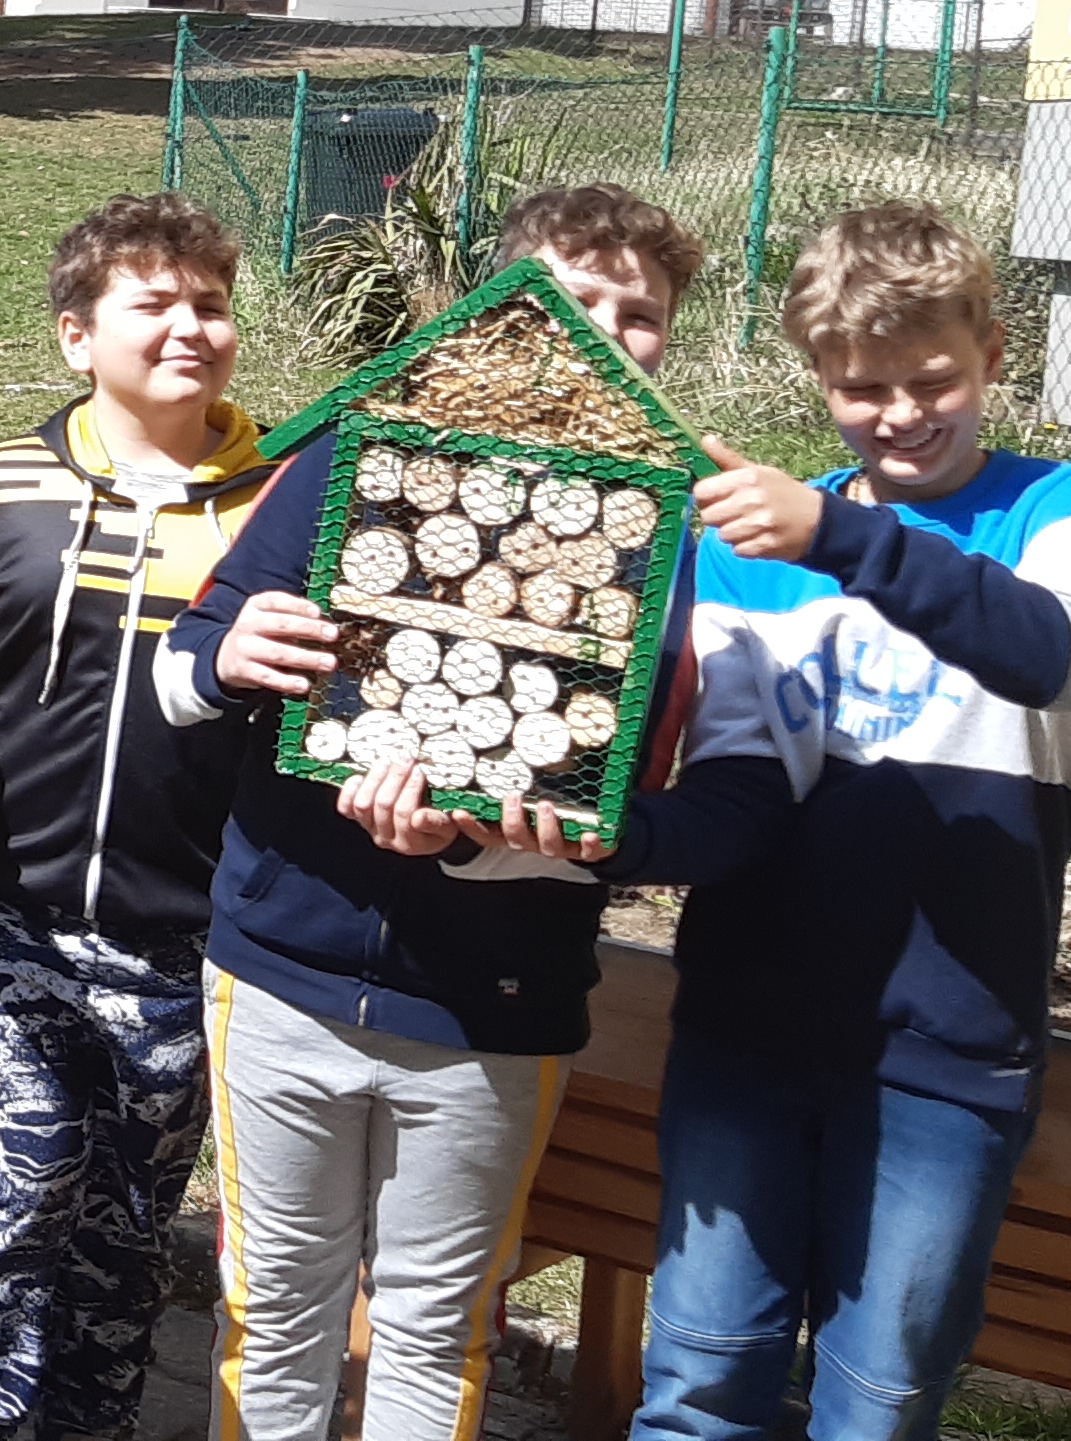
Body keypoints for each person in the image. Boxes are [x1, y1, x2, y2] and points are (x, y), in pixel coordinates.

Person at [504, 202, 1071, 1441]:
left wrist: (843, 535)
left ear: (993, 354)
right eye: (862, 388)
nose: (900, 414)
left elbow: (1062, 657)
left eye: (932, 379)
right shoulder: (752, 553)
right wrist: (617, 837)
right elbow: (737, 797)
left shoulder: (1065, 506)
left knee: (880, 1404)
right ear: (819, 379)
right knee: (698, 1383)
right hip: (746, 1032)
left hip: (950, 1054)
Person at [147, 185, 709, 1441]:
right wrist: (229, 656)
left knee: (437, 1325)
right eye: (570, 301)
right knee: (271, 1309)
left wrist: (472, 845)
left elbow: (626, 812)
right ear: (498, 319)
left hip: (490, 1006)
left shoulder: (668, 544)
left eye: (641, 315)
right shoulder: (350, 462)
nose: (604, 333)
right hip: (282, 969)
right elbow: (178, 674)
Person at [0, 193, 279, 1441]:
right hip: (1, 916)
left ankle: (88, 1422)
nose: (190, 326)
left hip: (183, 937)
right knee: (23, 1167)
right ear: (77, 335)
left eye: (210, 303)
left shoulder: (284, 503)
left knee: (124, 1233)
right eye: (153, 302)